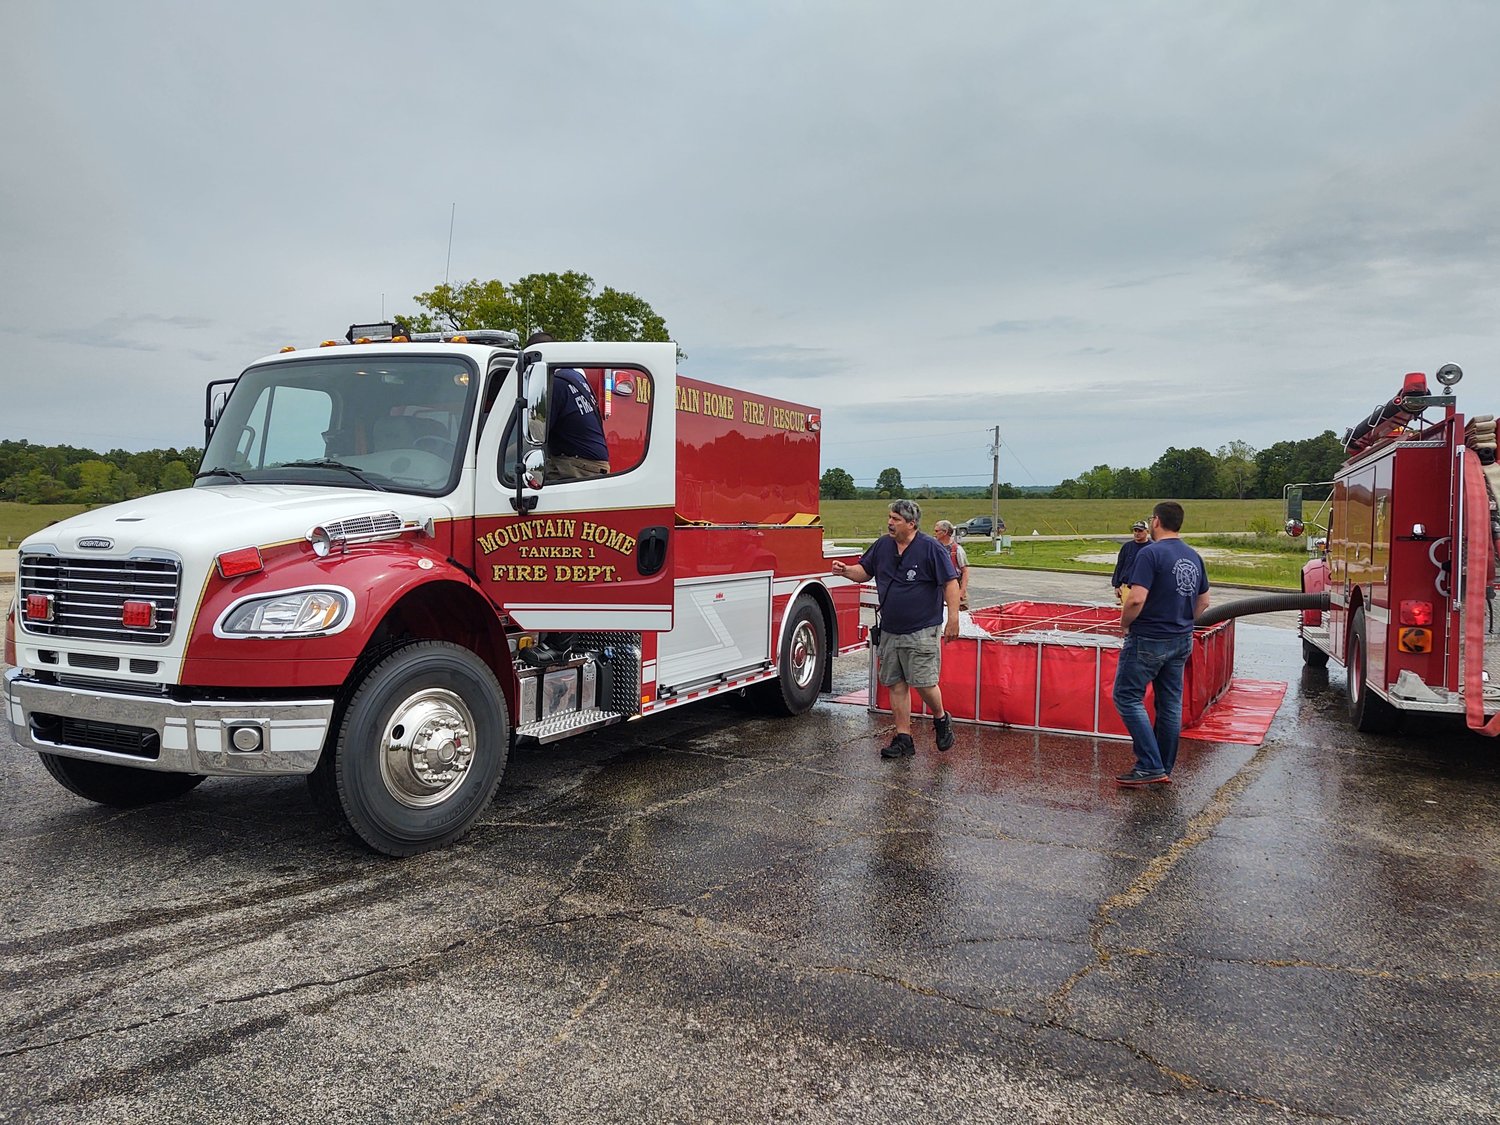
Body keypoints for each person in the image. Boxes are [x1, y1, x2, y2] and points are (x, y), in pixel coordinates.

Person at [832, 499, 961, 759]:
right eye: (889, 517)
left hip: (922, 628)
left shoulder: (930, 548)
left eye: (896, 519)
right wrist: (846, 571)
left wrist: (954, 618)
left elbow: (950, 582)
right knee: (896, 684)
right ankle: (904, 739)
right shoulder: (882, 545)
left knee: (924, 683)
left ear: (911, 524)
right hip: (890, 628)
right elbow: (864, 571)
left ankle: (940, 718)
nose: (890, 523)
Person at [1111, 501, 1210, 787]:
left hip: (1148, 638)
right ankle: (1163, 766)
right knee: (1169, 704)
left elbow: (1137, 598)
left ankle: (1150, 765)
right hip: (1181, 639)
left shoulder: (1150, 554)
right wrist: (1180, 619)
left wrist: (1125, 623)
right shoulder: (1193, 556)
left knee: (1127, 697)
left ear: (1156, 521)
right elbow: (1204, 601)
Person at [524, 331, 610, 481]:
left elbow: (534, 436)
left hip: (577, 466)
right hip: (590, 465)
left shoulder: (555, 384)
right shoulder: (574, 377)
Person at [932, 520, 970, 611]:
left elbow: (965, 571)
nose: (935, 534)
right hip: (938, 588)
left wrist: (962, 592)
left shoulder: (957, 550)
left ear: (945, 532)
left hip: (954, 587)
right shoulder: (933, 548)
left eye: (937, 531)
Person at [1111, 519, 1152, 602]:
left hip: (1145, 588)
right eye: (1135, 530)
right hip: (1126, 587)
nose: (1137, 533)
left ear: (1147, 531)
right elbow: (1120, 566)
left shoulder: (1152, 548)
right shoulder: (1127, 547)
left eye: (1140, 531)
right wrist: (1117, 585)